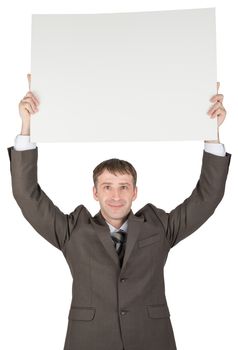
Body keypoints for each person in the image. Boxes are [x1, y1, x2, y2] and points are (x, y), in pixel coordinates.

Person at [7, 74, 231, 350]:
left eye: (124, 186)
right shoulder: (72, 232)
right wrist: (26, 126)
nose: (116, 195)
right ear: (95, 192)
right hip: (90, 341)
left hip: (150, 340)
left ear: (135, 192)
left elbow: (208, 197)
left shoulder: (159, 228)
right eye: (107, 186)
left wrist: (211, 131)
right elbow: (26, 196)